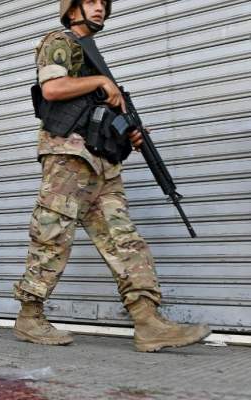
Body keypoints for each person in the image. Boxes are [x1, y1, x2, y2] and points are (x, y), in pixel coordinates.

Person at [13, 0, 210, 352]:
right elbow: (52, 89)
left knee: (125, 239)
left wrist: (128, 131)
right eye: (91, 1)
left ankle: (147, 321)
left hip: (102, 163)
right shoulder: (60, 41)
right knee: (53, 233)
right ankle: (30, 316)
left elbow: (96, 113)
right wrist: (102, 81)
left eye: (103, 3)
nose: (100, 8)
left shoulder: (92, 54)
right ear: (72, 9)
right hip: (69, 157)